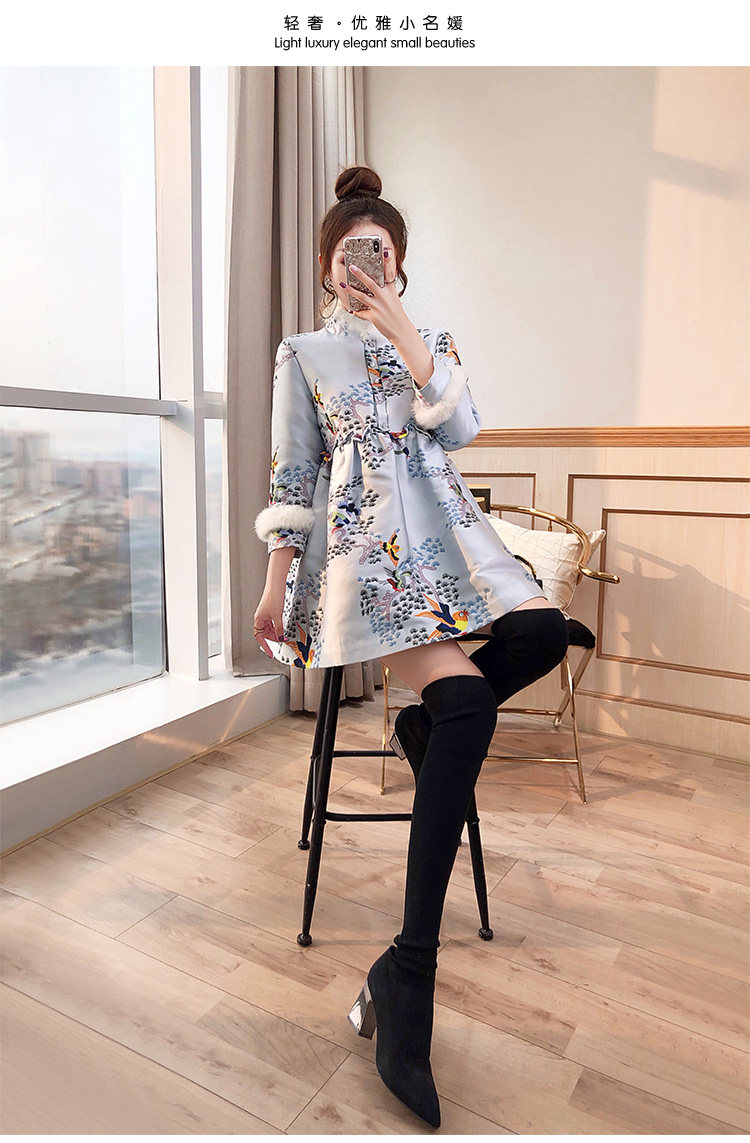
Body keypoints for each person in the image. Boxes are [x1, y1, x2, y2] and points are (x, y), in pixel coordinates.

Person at [253, 164, 568, 1129]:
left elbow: (461, 429)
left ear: (399, 264)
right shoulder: (304, 352)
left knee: (545, 630)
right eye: (352, 253)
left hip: (454, 540)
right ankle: (408, 975)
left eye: (382, 253)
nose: (367, 263)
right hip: (370, 554)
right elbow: (294, 470)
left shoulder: (431, 340)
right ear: (327, 266)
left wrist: (405, 337)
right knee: (467, 703)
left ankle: (429, 736)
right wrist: (276, 578)